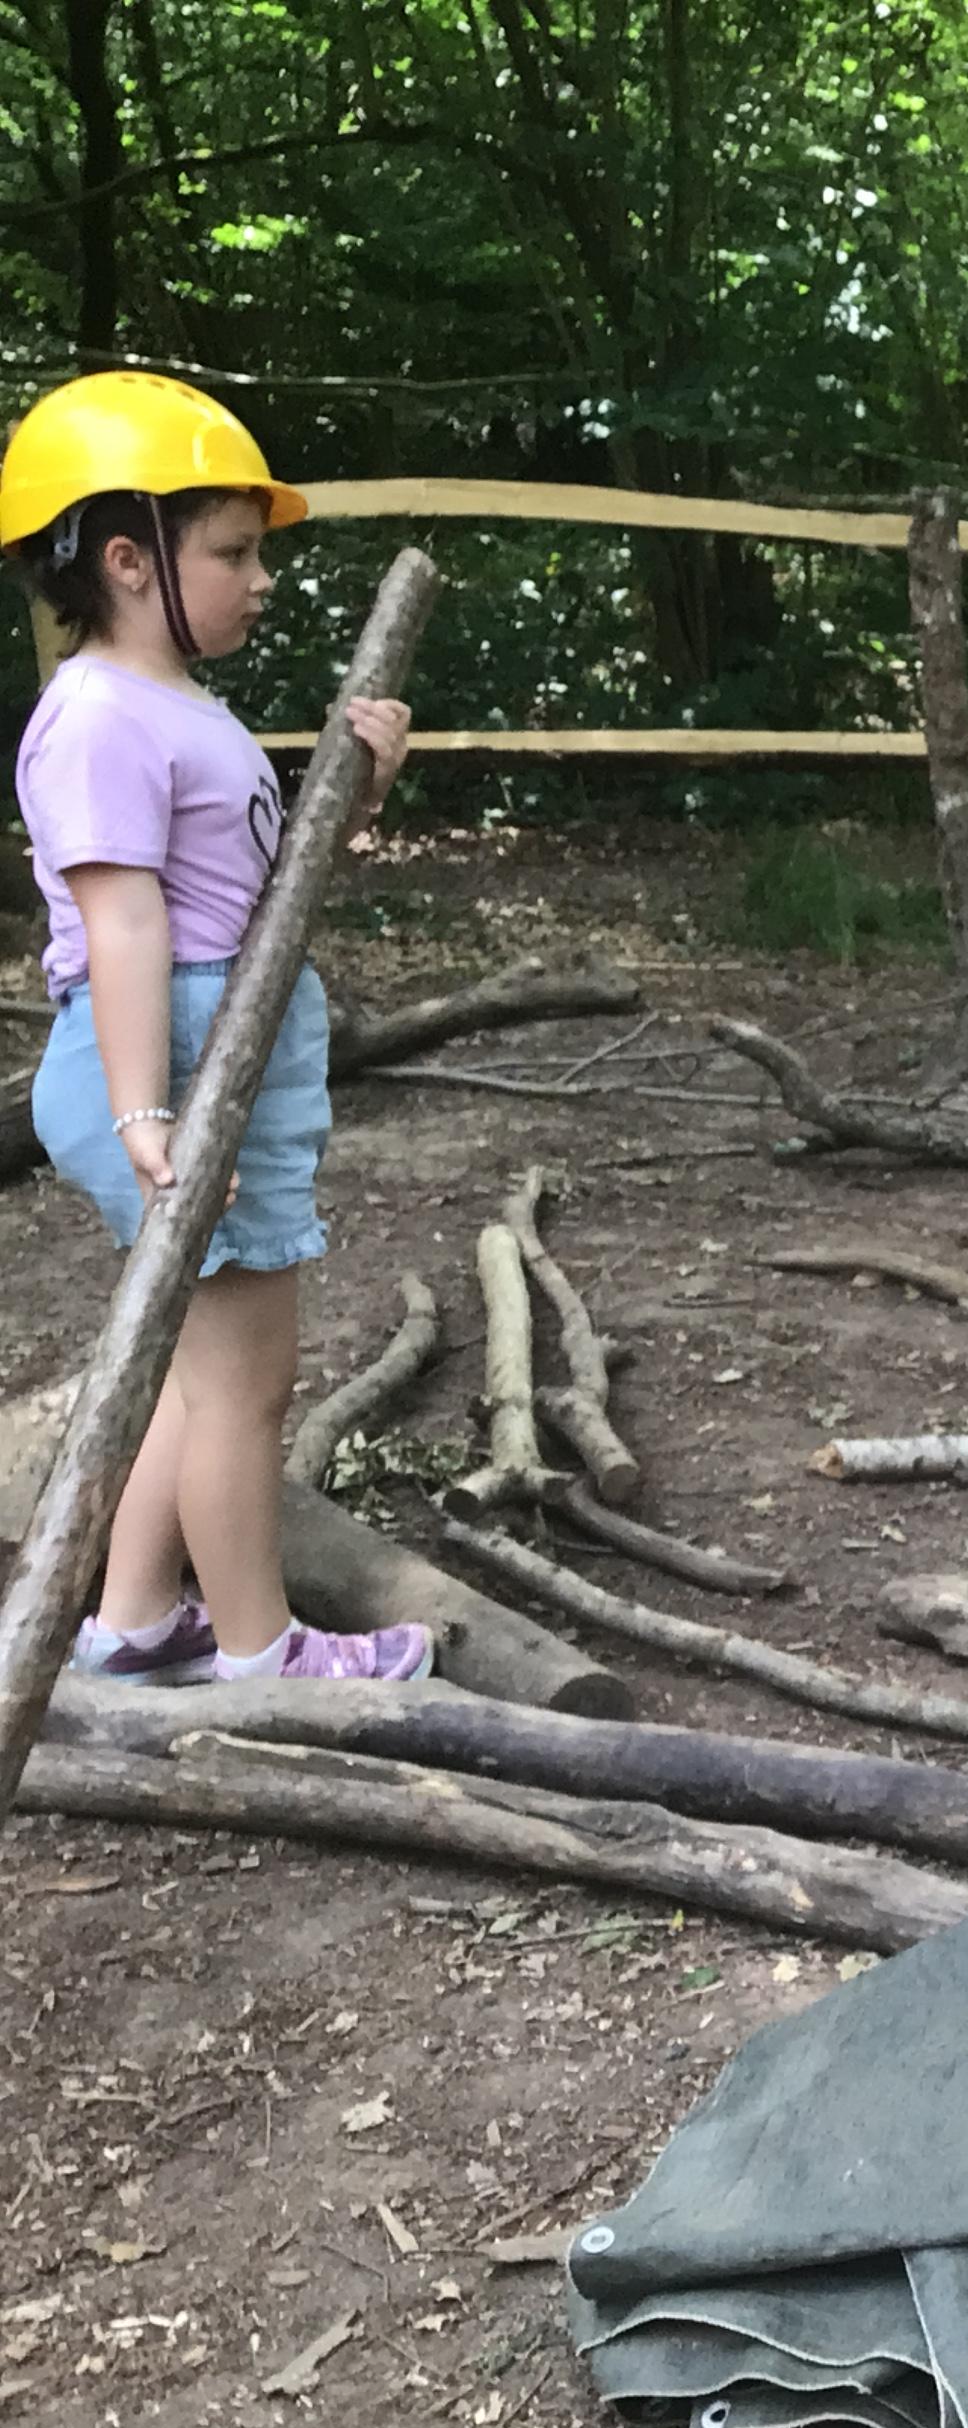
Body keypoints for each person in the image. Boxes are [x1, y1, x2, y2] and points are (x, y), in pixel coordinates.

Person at [8, 370, 430, 1684]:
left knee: (192, 1376)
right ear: (128, 559)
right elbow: (126, 927)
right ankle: (263, 1654)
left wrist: (357, 796)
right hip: (175, 1064)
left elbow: (242, 895)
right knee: (245, 1387)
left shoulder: (171, 705)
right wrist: (148, 1111)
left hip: (205, 1051)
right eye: (233, 552)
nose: (262, 579)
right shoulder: (97, 718)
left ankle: (135, 1620)